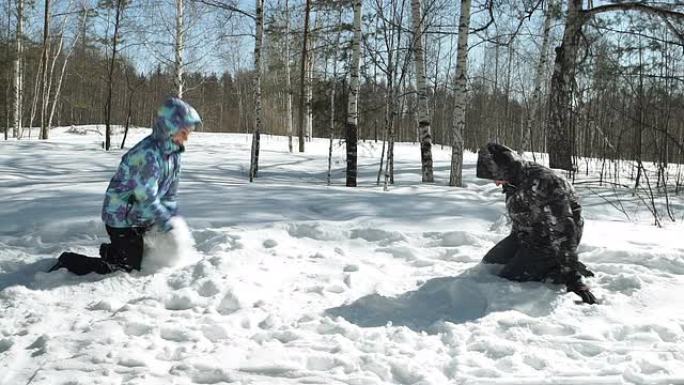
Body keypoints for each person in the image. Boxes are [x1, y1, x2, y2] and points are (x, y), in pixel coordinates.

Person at [50, 97, 201, 275]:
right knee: (126, 269)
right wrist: (166, 223)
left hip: (142, 217)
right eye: (184, 132)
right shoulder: (146, 155)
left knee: (141, 258)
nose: (187, 137)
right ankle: (68, 261)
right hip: (121, 217)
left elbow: (170, 194)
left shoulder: (174, 154)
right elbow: (146, 196)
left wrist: (172, 218)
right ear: (169, 128)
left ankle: (115, 251)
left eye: (189, 132)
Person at [476, 142, 597, 304]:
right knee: (490, 264)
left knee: (508, 278)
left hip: (551, 239)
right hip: (529, 235)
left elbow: (563, 230)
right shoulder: (513, 180)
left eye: (497, 177)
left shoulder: (543, 183)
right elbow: (522, 217)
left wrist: (572, 276)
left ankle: (559, 267)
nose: (496, 183)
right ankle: (549, 262)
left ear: (504, 169)